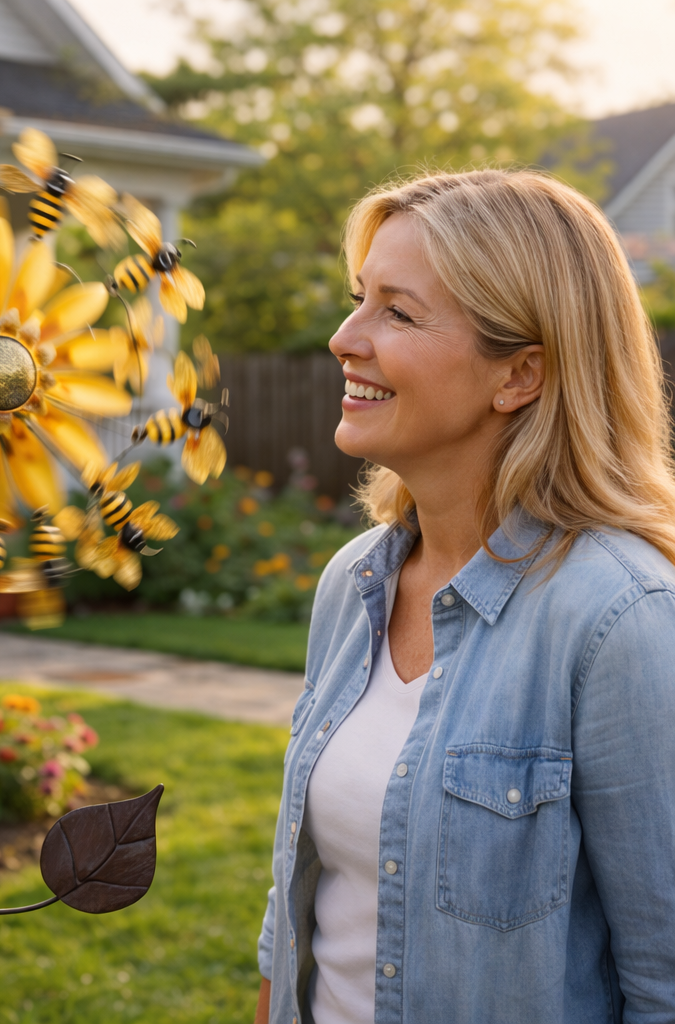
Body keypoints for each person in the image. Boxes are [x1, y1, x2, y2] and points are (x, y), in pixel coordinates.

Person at [254, 169, 675, 1024]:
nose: (344, 337)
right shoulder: (354, 582)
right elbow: (296, 919)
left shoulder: (618, 621)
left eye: (397, 312)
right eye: (358, 298)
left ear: (520, 374)